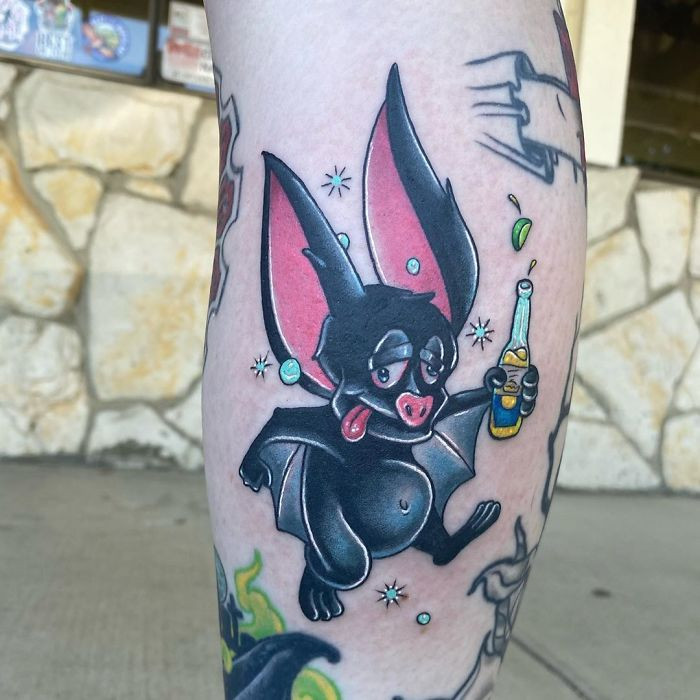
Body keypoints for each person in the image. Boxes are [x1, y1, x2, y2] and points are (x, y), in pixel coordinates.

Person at [202, 2, 586, 697]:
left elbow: (483, 411)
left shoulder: (435, 415)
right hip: (347, 533)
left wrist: (507, 404)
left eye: (432, 366)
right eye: (391, 369)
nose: (419, 388)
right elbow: (291, 441)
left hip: (410, 510)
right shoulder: (323, 429)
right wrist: (319, 557)